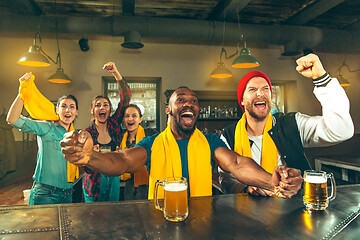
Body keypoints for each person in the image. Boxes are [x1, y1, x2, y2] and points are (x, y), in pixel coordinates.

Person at [60, 86, 304, 199]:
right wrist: (89, 157)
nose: (189, 104)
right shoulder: (153, 143)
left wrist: (273, 181)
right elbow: (123, 160)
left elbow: (237, 164)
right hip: (162, 224)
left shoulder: (209, 141)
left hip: (204, 227)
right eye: (181, 100)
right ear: (169, 109)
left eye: (194, 101)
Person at [219, 53, 354, 196]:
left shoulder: (292, 124)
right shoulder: (228, 135)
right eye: (252, 89)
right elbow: (225, 180)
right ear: (242, 101)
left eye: (266, 89)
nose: (260, 94)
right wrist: (245, 189)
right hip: (247, 211)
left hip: (294, 209)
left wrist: (321, 77)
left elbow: (341, 129)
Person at [7, 72, 79, 205]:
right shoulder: (46, 127)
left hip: (68, 193)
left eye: (72, 107)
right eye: (63, 106)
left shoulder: (76, 136)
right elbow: (12, 119)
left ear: (76, 112)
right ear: (57, 110)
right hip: (45, 193)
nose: (67, 110)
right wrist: (23, 91)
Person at [83, 62, 131, 202]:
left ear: (110, 110)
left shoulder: (115, 124)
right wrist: (91, 156)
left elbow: (126, 99)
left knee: (113, 217)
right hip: (94, 183)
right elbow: (85, 167)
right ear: (92, 111)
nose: (102, 108)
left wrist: (116, 73)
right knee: (95, 220)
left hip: (114, 178)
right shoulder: (87, 133)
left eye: (105, 105)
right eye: (97, 105)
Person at [120, 104, 157, 200]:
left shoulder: (150, 135)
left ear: (140, 119)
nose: (130, 119)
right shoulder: (121, 139)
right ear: (123, 119)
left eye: (134, 116)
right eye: (127, 116)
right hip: (128, 185)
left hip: (147, 184)